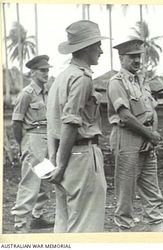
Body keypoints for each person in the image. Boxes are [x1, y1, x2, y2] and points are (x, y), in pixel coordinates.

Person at [46, 20, 107, 233]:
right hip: (81, 156)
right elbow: (70, 122)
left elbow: (52, 123)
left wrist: (55, 160)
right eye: (98, 45)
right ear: (87, 47)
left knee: (64, 224)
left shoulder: (61, 78)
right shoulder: (82, 79)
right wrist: (60, 165)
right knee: (86, 226)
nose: (101, 50)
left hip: (64, 155)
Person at [106, 39, 163, 232]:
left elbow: (152, 111)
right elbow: (125, 116)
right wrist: (150, 134)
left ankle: (159, 235)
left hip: (146, 138)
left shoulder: (142, 81)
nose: (137, 61)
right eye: (132, 57)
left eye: (139, 56)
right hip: (127, 138)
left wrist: (152, 135)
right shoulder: (116, 83)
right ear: (121, 58)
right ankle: (126, 235)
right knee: (126, 193)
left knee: (152, 191)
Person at [11, 55, 54, 233]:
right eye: (42, 70)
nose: (46, 73)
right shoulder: (26, 94)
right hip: (33, 139)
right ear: (33, 72)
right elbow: (16, 122)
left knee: (44, 182)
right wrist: (23, 145)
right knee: (30, 182)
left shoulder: (46, 92)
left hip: (45, 140)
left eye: (47, 70)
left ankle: (38, 216)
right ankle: (20, 223)